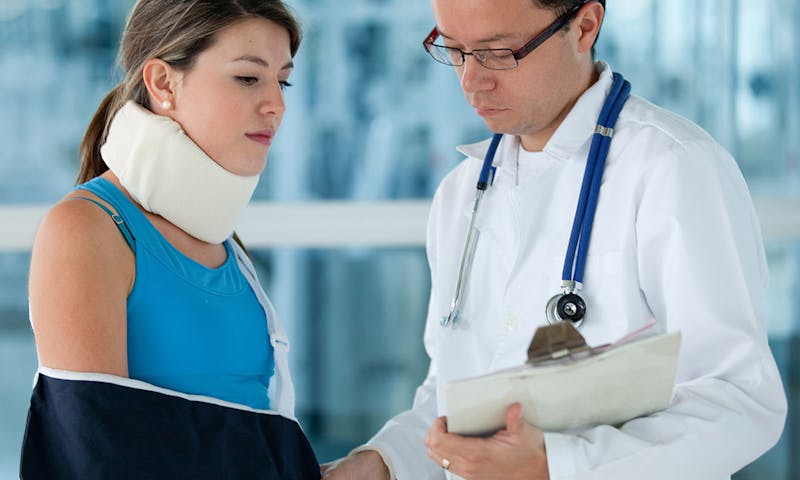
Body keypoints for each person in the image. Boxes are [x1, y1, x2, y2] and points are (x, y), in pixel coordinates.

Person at [322, 0, 787, 479]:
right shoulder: (463, 193)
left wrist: (558, 464)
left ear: (584, 27)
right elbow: (454, 398)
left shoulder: (674, 167)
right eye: (455, 50)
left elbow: (741, 399)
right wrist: (385, 461)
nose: (471, 81)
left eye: (498, 52)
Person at [20, 1, 320, 478]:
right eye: (248, 78)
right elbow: (90, 458)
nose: (276, 105)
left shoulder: (226, 247)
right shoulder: (88, 231)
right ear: (162, 82)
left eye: (281, 81)